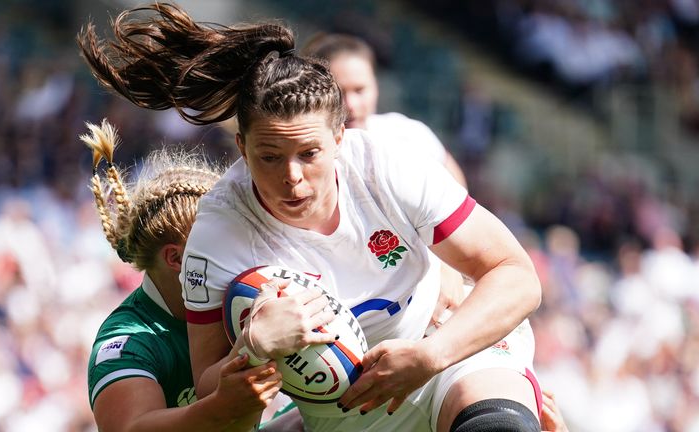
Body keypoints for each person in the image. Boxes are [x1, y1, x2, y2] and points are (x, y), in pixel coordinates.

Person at [78, 4, 542, 432]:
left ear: (340, 138)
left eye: (309, 153)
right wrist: (254, 348)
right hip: (347, 412)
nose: (292, 178)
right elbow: (210, 387)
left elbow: (516, 275)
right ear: (241, 148)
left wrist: (430, 354)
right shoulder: (219, 235)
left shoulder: (390, 163)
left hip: (444, 349)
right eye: (270, 156)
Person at [81, 119, 332, 431]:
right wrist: (222, 404)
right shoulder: (129, 341)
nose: (234, 257)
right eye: (216, 246)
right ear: (175, 258)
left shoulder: (241, 299)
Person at [301, 32, 467, 188]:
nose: (351, 104)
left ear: (376, 85)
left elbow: (457, 188)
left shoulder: (408, 133)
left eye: (360, 90)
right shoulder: (302, 156)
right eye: (339, 93)